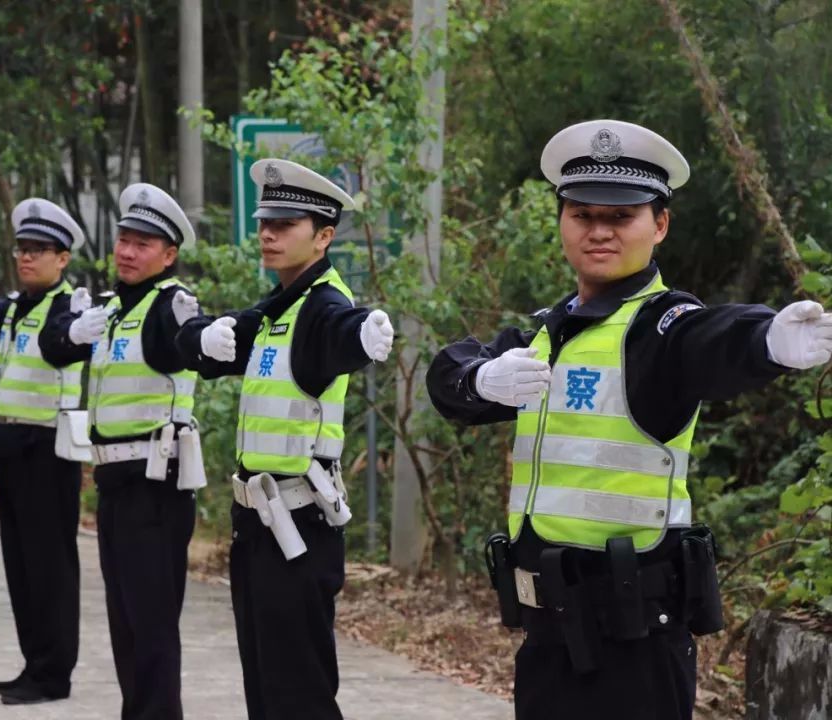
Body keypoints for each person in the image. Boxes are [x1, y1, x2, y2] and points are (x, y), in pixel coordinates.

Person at [426, 119, 832, 720]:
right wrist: (480, 379)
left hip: (634, 643)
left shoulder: (662, 327)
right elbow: (449, 376)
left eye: (621, 218)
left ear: (659, 224)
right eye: (582, 215)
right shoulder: (545, 332)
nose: (599, 232)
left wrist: (766, 341)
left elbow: (712, 339)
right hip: (546, 637)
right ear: (561, 221)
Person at [175, 159, 395, 720]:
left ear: (324, 236)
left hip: (299, 525)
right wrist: (205, 334)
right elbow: (212, 341)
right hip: (260, 526)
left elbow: (342, 334)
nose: (268, 234)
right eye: (265, 223)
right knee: (267, 686)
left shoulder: (323, 306)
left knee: (298, 691)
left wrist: (365, 336)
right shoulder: (281, 306)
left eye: (286, 224)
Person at [61, 182, 204, 719]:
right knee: (124, 620)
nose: (126, 249)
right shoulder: (115, 308)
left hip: (155, 484)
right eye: (124, 237)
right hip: (115, 485)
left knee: (151, 622)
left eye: (143, 243)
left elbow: (183, 340)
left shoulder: (171, 305)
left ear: (168, 255)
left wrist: (203, 337)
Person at [0, 198, 90, 704]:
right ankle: (34, 663)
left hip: (48, 451)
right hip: (10, 448)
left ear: (63, 257)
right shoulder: (13, 308)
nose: (26, 258)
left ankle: (54, 674)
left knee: (49, 568)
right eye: (22, 249)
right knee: (22, 568)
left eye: (39, 250)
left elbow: (58, 345)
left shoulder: (72, 308)